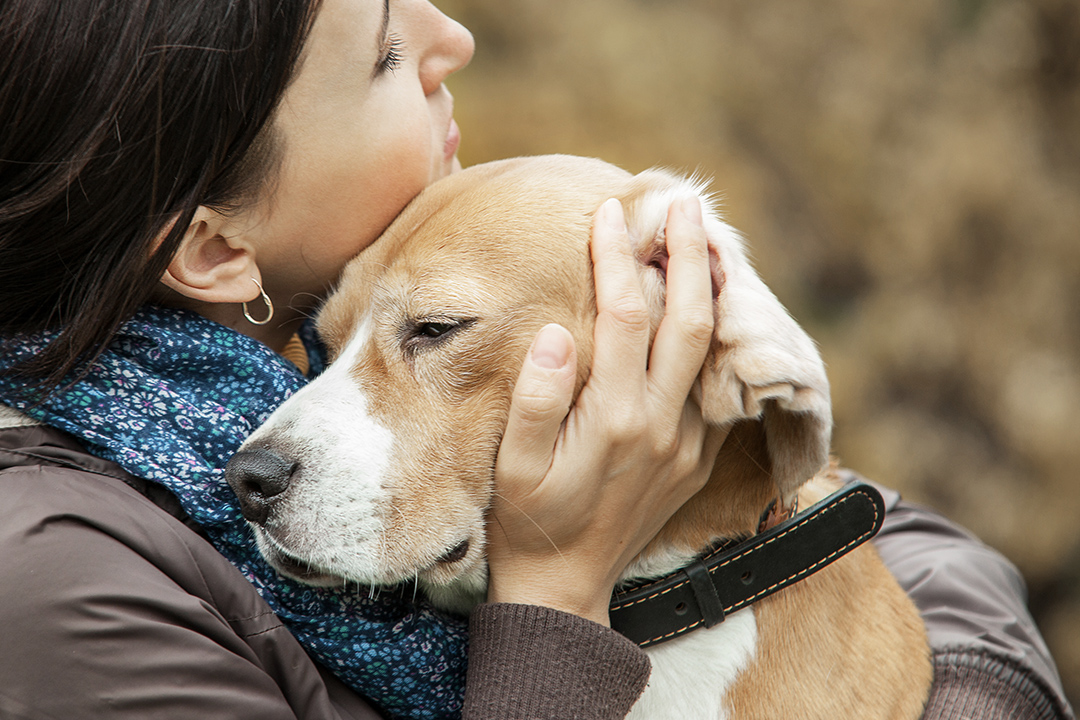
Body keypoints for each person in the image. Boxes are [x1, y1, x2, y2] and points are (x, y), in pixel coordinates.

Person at [0, 1, 1071, 720]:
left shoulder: (289, 348)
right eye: (383, 55)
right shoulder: (60, 583)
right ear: (213, 248)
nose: (452, 37)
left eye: (427, 332)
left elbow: (886, 536)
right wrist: (556, 593)